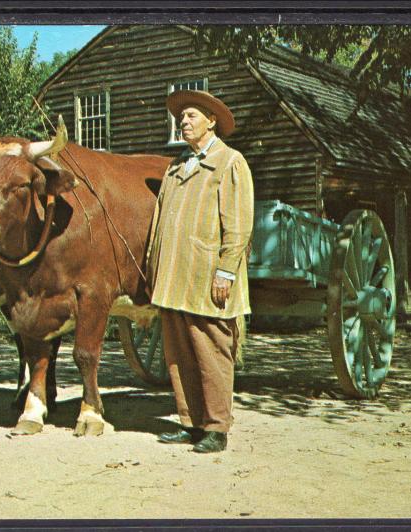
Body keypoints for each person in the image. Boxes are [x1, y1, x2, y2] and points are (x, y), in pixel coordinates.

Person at [146, 90, 254, 453]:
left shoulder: (229, 163)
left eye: (192, 115)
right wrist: (154, 266)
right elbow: (160, 222)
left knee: (212, 352)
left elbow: (238, 225)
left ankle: (217, 427)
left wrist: (226, 272)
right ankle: (190, 422)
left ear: (212, 121)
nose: (184, 121)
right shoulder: (177, 166)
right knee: (178, 354)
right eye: (182, 116)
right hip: (175, 277)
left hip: (207, 276)